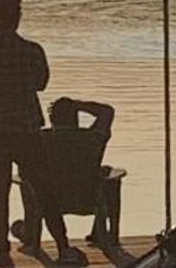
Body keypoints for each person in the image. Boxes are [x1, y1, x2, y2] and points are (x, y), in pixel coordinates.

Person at [0, 0, 85, 265]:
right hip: (27, 128)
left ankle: (2, 250)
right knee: (44, 188)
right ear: (17, 16)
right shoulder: (32, 50)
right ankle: (62, 245)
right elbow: (41, 83)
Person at [13, 98, 119, 252]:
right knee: (108, 174)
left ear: (51, 118)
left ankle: (31, 235)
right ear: (75, 116)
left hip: (49, 201)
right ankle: (109, 234)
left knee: (26, 177)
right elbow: (107, 111)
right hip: (87, 198)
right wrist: (78, 105)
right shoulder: (92, 138)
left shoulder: (40, 140)